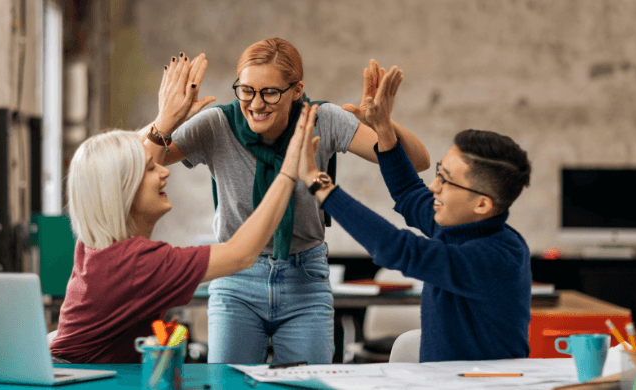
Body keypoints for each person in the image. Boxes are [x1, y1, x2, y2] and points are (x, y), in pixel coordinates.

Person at [141, 38, 430, 364]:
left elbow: (417, 162)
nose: (256, 103)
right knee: (229, 386)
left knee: (309, 384)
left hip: (304, 279)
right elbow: (136, 160)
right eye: (247, 90)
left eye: (270, 92)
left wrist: (382, 123)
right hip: (237, 281)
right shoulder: (218, 125)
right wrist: (165, 119)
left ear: (296, 90)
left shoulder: (324, 119)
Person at [49, 53, 315, 363]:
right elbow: (242, 253)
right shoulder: (136, 264)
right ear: (121, 189)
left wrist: (167, 119)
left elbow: (123, 168)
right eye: (150, 170)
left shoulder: (99, 246)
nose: (164, 171)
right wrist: (287, 173)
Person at [297, 62, 533, 362]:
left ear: (482, 204)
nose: (433, 186)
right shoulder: (453, 227)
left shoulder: (498, 257)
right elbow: (409, 192)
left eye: (446, 180)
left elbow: (398, 249)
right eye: (439, 172)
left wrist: (320, 184)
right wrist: (383, 128)